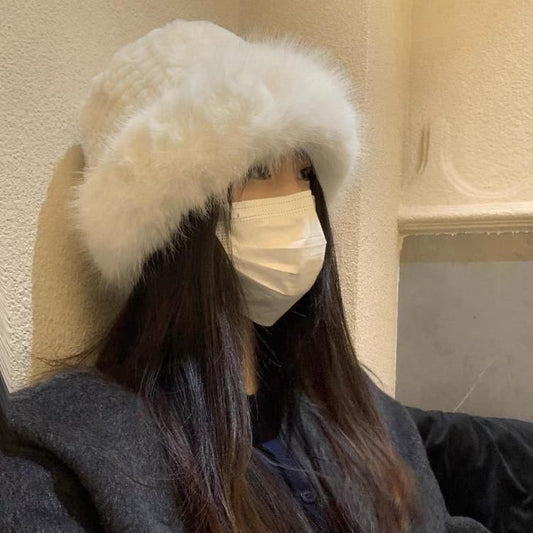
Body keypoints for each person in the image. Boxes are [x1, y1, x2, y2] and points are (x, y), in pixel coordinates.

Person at [0, 18, 490, 533]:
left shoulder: (357, 410)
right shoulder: (70, 454)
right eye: (258, 171)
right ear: (174, 228)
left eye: (305, 173)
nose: (299, 204)